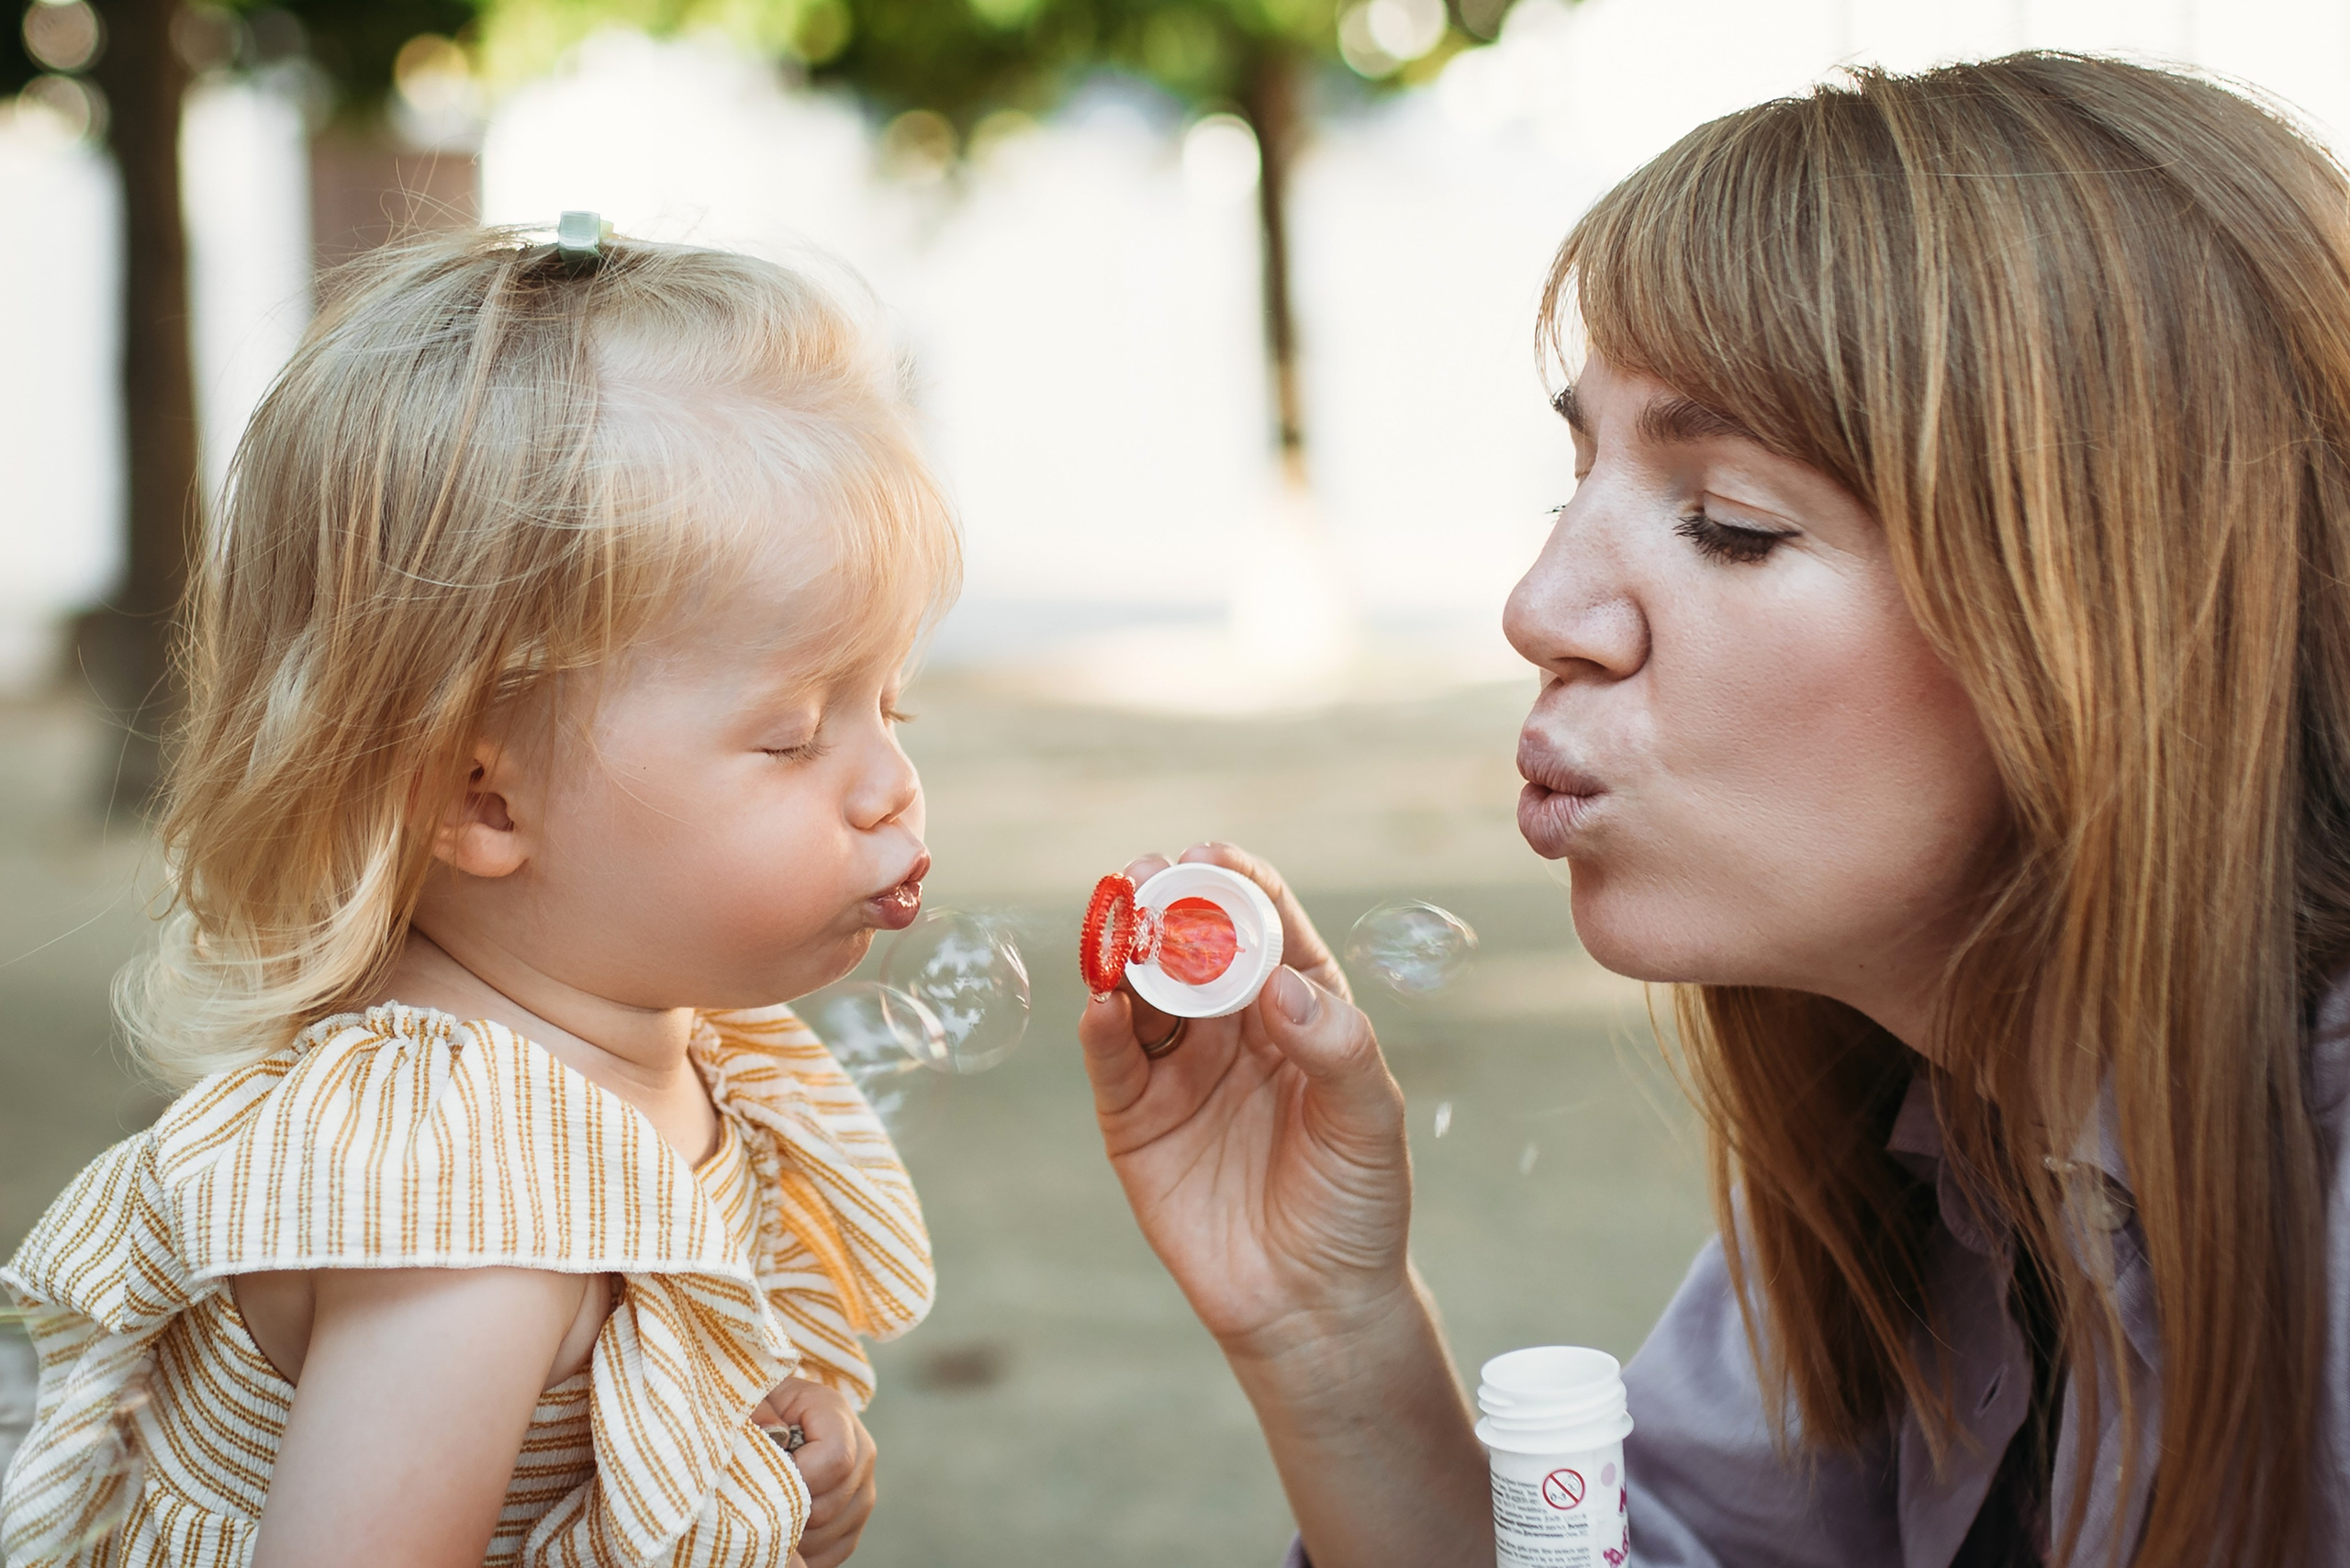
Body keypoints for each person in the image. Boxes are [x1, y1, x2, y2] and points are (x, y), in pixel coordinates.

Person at [1080, 53, 2350, 1568]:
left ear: (2108, 621)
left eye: (1728, 523)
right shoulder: (1935, 1144)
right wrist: (1327, 1336)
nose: (1541, 608)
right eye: (1574, 483)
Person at [1, 227, 957, 1568]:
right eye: (796, 735)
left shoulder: (648, 1047)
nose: (892, 787)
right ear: (479, 798)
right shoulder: (468, 1193)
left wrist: (761, 1461)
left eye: (891, 705)